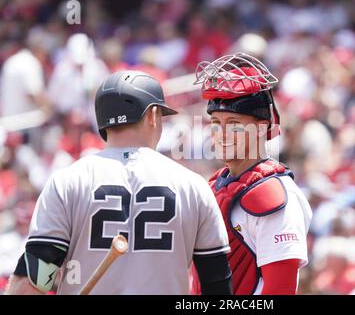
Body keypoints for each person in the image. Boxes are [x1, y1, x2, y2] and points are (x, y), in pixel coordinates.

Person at [6, 70, 232, 295]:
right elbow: (218, 287)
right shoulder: (193, 185)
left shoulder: (67, 181)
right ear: (153, 115)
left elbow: (33, 283)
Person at [192, 53, 312, 295]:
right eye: (216, 123)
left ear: (260, 128)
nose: (221, 133)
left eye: (234, 124)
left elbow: (280, 289)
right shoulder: (217, 184)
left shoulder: (272, 194)